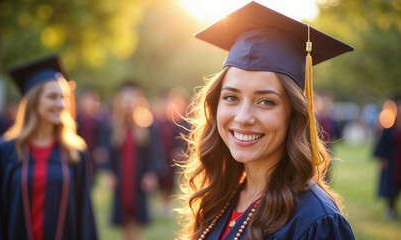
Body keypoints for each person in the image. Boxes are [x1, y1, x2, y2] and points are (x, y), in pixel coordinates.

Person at [177, 2, 355, 240]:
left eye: (265, 101)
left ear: (294, 113)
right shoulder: (221, 196)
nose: (243, 117)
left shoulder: (316, 222)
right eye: (231, 97)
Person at [0, 55, 98, 240]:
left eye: (64, 97)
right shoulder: (4, 151)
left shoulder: (75, 152)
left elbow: (84, 217)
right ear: (34, 101)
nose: (61, 104)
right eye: (52, 97)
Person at [99, 81, 166, 240]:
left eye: (131, 100)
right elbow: (105, 152)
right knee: (123, 215)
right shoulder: (112, 126)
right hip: (121, 177)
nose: (128, 104)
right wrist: (108, 173)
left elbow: (156, 153)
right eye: (125, 100)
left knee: (137, 214)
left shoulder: (148, 126)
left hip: (139, 177)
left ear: (139, 102)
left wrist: (151, 174)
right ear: (119, 102)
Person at [373, 96, 401, 219]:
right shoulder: (389, 130)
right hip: (393, 162)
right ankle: (391, 209)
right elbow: (381, 147)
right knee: (391, 186)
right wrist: (382, 160)